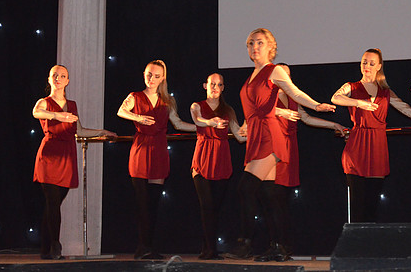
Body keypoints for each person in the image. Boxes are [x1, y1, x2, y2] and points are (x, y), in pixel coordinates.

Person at [228, 28, 335, 262]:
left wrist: (316, 105)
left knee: (246, 188)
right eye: (251, 43)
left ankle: (245, 243)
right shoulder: (252, 75)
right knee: (269, 195)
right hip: (256, 134)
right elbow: (252, 108)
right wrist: (245, 124)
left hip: (269, 134)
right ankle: (278, 247)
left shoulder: (274, 70)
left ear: (271, 47)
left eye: (260, 42)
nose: (254, 47)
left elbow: (294, 92)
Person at [255, 63, 345, 261]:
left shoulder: (293, 97)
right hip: (272, 149)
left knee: (281, 201)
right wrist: (280, 113)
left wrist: (333, 124)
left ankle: (282, 246)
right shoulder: (267, 95)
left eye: (287, 75)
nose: (284, 78)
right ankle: (276, 245)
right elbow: (257, 110)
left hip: (288, 151)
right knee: (271, 199)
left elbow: (306, 118)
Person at [331, 49, 411, 223]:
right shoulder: (351, 86)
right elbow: (336, 98)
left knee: (371, 204)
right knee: (357, 204)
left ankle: (369, 238)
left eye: (371, 63)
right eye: (364, 62)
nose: (367, 66)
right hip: (357, 145)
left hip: (377, 146)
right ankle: (356, 239)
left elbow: (409, 111)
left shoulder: (386, 92)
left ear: (379, 66)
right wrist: (358, 103)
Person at [33, 65, 116, 260]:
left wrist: (102, 132)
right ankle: (55, 246)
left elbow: (80, 131)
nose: (58, 78)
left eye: (62, 76)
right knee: (53, 202)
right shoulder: (44, 102)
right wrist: (57, 115)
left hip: (67, 156)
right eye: (55, 75)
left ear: (67, 81)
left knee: (52, 205)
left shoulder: (72, 105)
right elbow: (36, 112)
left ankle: (45, 249)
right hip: (49, 156)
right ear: (49, 79)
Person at [117, 59, 197, 259]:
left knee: (153, 204)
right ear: (144, 74)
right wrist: (138, 118)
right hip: (141, 150)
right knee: (142, 203)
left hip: (159, 152)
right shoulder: (135, 96)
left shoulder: (167, 101)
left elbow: (178, 123)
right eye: (149, 74)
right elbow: (121, 111)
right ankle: (142, 247)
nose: (151, 78)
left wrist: (204, 127)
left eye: (156, 76)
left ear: (163, 79)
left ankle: (148, 247)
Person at [190, 73, 246, 260]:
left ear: (223, 88)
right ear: (205, 85)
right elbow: (197, 120)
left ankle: (207, 247)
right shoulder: (197, 106)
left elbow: (239, 136)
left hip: (221, 160)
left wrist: (250, 127)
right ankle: (210, 250)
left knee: (214, 208)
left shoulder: (228, 110)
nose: (215, 87)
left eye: (219, 84)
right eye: (212, 84)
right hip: (202, 159)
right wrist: (211, 122)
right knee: (206, 205)